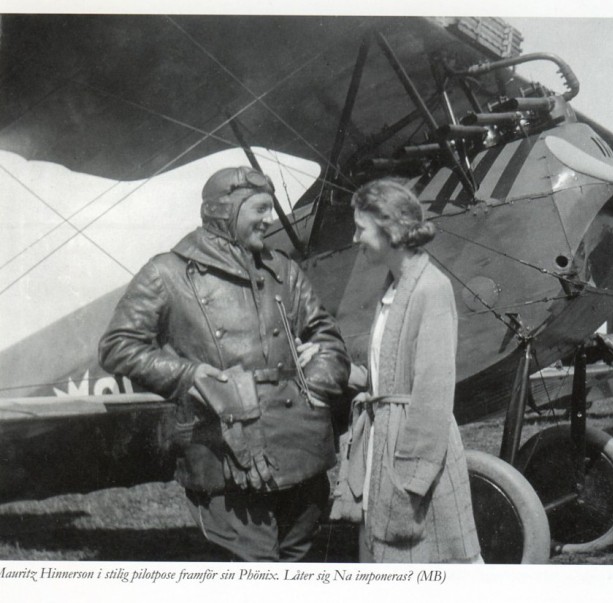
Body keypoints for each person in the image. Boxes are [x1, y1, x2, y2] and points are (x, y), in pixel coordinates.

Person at [98, 166, 350, 561]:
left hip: (300, 445)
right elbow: (118, 346)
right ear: (225, 212)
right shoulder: (167, 272)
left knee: (299, 560)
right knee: (255, 569)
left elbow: (327, 337)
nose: (270, 219)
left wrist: (317, 384)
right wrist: (188, 374)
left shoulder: (284, 269)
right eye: (261, 209)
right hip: (225, 455)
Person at [331, 179, 481, 563]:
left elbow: (432, 395)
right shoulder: (393, 289)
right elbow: (391, 380)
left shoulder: (431, 288)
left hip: (413, 461)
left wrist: (409, 482)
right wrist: (342, 370)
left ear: (390, 228)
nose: (355, 237)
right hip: (384, 447)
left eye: (361, 228)